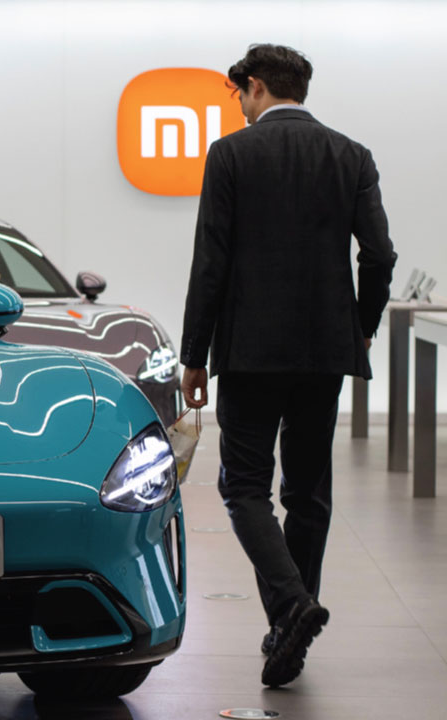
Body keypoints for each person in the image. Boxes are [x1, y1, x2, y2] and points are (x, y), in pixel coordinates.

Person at [179, 45, 397, 688]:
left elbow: (211, 261)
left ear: (253, 87)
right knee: (307, 492)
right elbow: (379, 255)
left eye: (238, 95)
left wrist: (194, 355)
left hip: (250, 351)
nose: (240, 108)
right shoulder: (352, 155)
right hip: (324, 351)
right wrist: (359, 327)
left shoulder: (231, 154)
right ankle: (287, 629)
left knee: (244, 488)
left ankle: (292, 606)